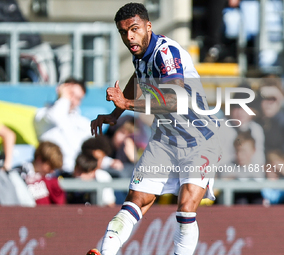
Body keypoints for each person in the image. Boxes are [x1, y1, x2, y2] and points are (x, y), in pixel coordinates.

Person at [88, 3, 222, 255]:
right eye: (123, 32)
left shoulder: (166, 52)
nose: (129, 37)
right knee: (134, 202)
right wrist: (115, 114)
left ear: (148, 26)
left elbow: (175, 98)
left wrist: (126, 103)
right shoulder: (140, 53)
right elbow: (137, 79)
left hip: (200, 140)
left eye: (134, 29)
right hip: (165, 142)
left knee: (185, 209)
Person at [34, 77, 91, 173]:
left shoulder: (85, 123)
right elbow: (56, 117)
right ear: (60, 91)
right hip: (50, 173)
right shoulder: (41, 115)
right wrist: (64, 98)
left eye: (78, 98)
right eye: (70, 94)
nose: (72, 100)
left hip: (77, 174)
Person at [24, 141, 66, 205]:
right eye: (50, 167)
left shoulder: (50, 179)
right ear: (39, 159)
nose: (52, 171)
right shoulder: (20, 174)